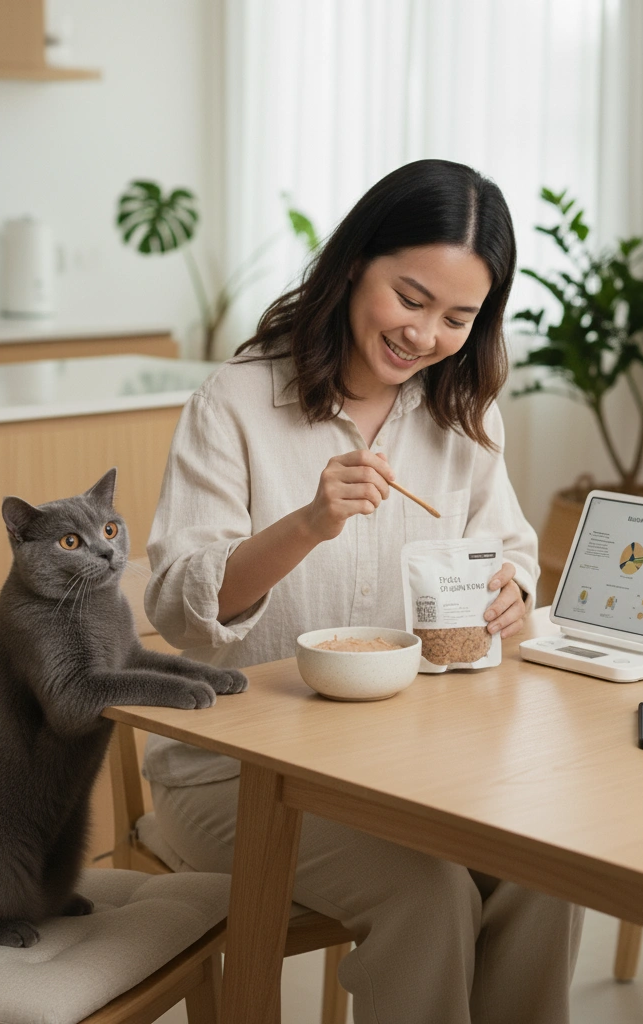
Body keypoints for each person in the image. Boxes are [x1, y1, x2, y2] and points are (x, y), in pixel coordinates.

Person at [141, 158, 584, 1024]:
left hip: (406, 764)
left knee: (542, 870)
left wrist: (511, 590)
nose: (425, 335)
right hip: (235, 776)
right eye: (410, 299)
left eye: (458, 317)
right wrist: (307, 522)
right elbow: (177, 606)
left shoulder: (465, 413)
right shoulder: (234, 402)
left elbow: (516, 554)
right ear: (353, 267)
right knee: (428, 895)